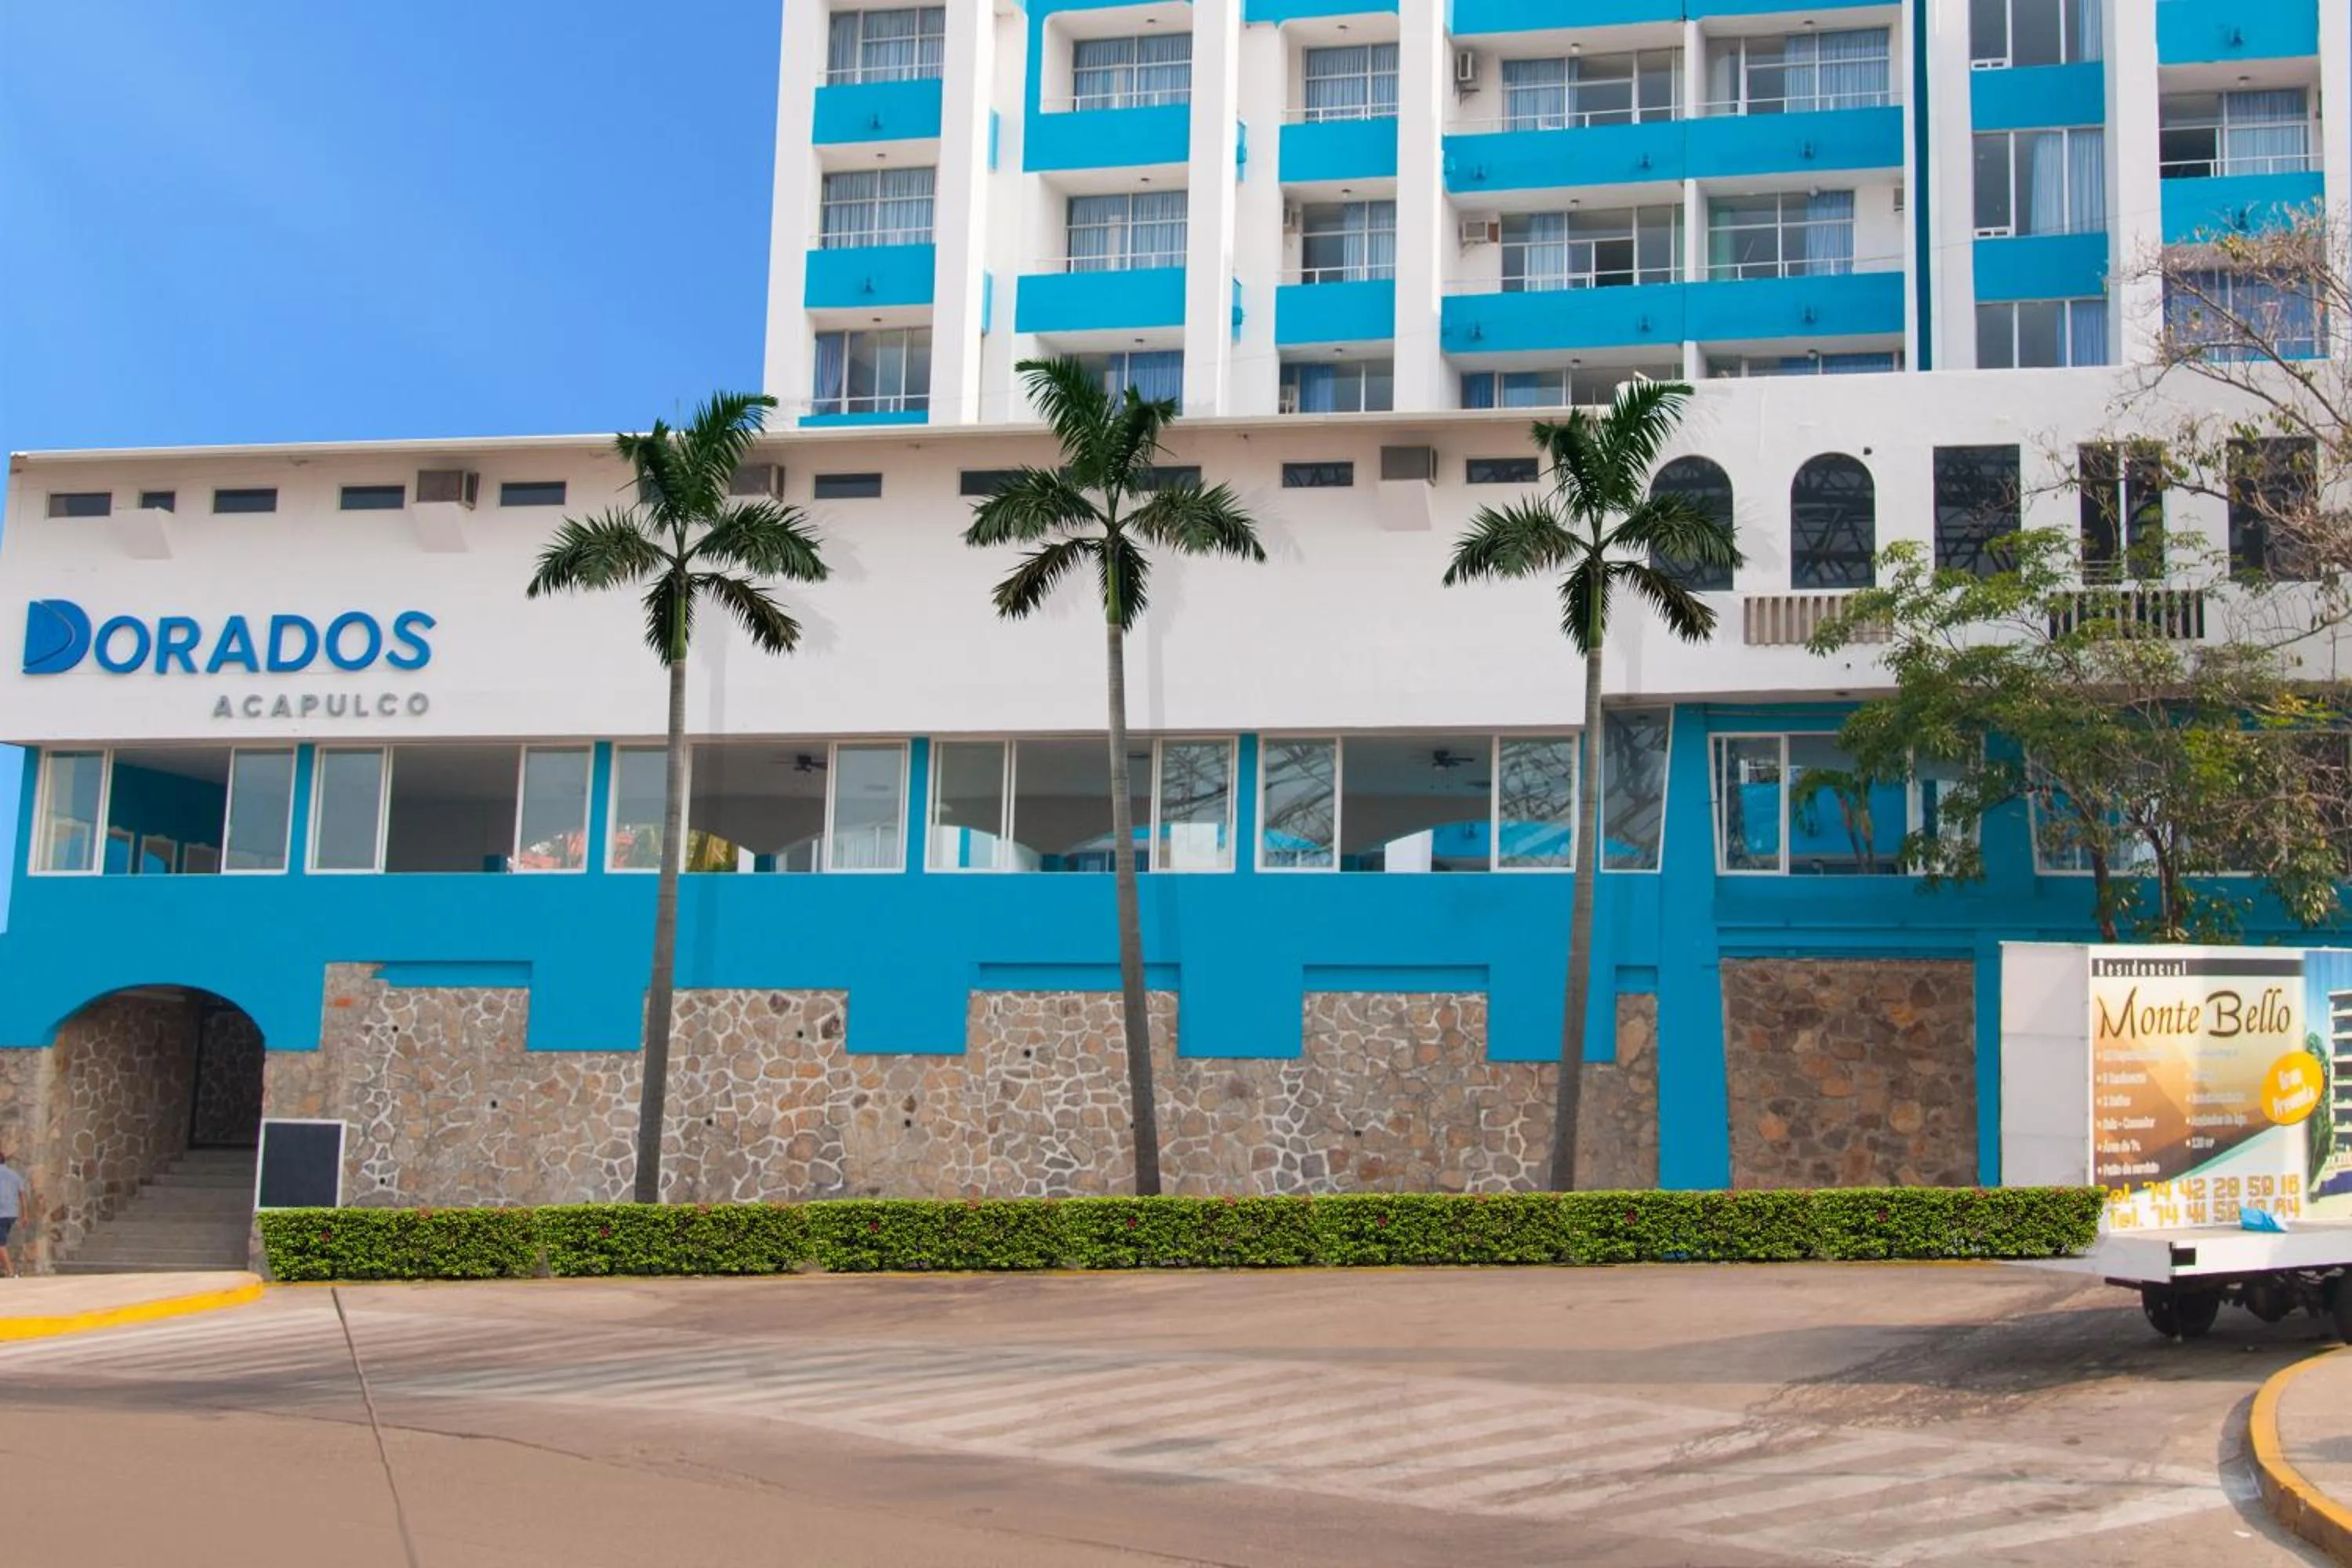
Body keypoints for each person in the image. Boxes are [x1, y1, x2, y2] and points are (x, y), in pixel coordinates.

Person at [0, 1152, 30, 1278]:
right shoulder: (15, 1175)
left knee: (1, 1244)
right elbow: (22, 1194)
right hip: (11, 1214)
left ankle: (11, 1272)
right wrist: (25, 1214)